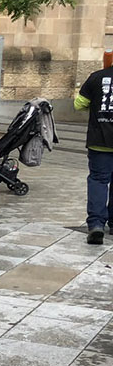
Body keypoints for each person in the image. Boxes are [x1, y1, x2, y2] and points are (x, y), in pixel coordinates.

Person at [76, 60, 113, 244]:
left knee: (99, 180)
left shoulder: (96, 77)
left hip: (100, 141)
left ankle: (96, 224)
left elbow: (79, 104)